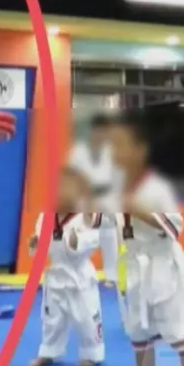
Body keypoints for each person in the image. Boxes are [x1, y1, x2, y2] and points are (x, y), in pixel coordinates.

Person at [109, 114, 184, 366]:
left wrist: (138, 210)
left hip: (165, 266)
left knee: (182, 333)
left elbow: (176, 226)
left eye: (122, 146)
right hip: (136, 266)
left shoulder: (158, 185)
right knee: (139, 334)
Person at [27, 166, 106, 366]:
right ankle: (49, 352)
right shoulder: (45, 217)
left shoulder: (86, 217)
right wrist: (36, 244)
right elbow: (42, 246)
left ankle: (92, 353)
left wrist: (77, 241)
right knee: (52, 318)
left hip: (80, 276)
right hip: (56, 275)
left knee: (86, 317)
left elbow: (94, 239)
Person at [68, 114, 120, 288]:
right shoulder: (78, 151)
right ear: (93, 131)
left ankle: (111, 276)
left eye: (105, 132)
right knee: (81, 234)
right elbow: (73, 175)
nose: (101, 135)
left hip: (107, 197)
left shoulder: (111, 152)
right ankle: (76, 275)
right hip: (85, 197)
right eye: (99, 131)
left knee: (109, 235)